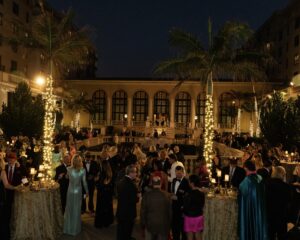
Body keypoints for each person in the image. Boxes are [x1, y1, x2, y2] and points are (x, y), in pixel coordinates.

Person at [238, 160, 268, 240]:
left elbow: (241, 198)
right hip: (259, 209)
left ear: (246, 169)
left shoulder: (245, 182)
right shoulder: (260, 178)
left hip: (249, 210)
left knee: (249, 227)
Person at [63, 154, 89, 236]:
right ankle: (75, 229)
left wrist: (68, 176)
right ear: (80, 161)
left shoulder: (68, 169)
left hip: (70, 191)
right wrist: (87, 191)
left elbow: (67, 178)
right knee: (76, 210)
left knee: (69, 209)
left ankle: (67, 229)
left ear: (72, 161)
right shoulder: (83, 170)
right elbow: (84, 183)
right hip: (78, 191)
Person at [141, 176, 172, 240]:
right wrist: (169, 224)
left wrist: (143, 224)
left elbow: (143, 211)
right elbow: (170, 212)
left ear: (152, 183)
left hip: (150, 224)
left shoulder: (146, 195)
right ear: (161, 183)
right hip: (163, 224)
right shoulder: (167, 195)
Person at [266, 166, 291, 240]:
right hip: (281, 216)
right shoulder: (286, 187)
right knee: (282, 236)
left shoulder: (266, 183)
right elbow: (289, 201)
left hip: (269, 215)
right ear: (282, 175)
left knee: (270, 235)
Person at [116, 164, 139, 240]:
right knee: (127, 229)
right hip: (128, 212)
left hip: (121, 210)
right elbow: (134, 200)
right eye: (135, 172)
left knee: (120, 229)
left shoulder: (120, 181)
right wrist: (138, 197)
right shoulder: (132, 185)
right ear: (130, 173)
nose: (136, 174)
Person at [0, 156, 18, 240]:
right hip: (1, 198)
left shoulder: (19, 168)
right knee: (3, 219)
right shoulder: (2, 171)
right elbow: (6, 185)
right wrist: (16, 188)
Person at [183, 175, 205, 240]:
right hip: (199, 216)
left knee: (190, 235)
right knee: (198, 234)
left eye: (189, 181)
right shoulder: (201, 193)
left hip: (189, 217)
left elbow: (186, 207)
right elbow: (202, 205)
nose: (188, 183)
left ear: (192, 183)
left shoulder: (188, 194)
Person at [171, 165, 190, 240]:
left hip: (182, 208)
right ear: (175, 172)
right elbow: (173, 191)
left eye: (180, 172)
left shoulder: (186, 182)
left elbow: (187, 196)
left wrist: (178, 198)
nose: (178, 174)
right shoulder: (174, 180)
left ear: (183, 172)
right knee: (175, 226)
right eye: (177, 172)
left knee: (183, 227)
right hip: (174, 207)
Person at [94, 160, 114, 228]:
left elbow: (101, 185)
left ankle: (101, 223)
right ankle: (106, 222)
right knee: (107, 207)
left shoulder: (102, 173)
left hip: (102, 194)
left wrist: (96, 181)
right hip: (108, 194)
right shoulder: (110, 173)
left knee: (101, 208)